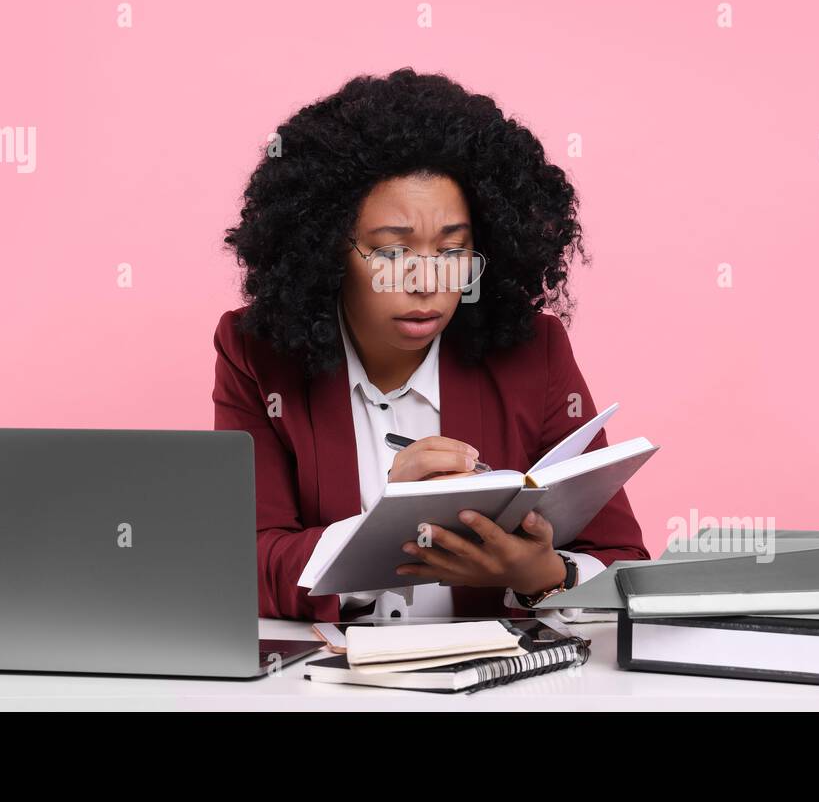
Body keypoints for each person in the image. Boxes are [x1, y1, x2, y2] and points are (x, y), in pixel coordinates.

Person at [214, 67, 649, 622]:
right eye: (392, 251)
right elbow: (243, 565)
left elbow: (623, 563)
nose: (426, 281)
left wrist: (539, 575)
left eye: (452, 251)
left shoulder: (532, 352)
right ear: (325, 251)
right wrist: (383, 525)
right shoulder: (257, 354)